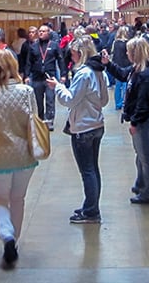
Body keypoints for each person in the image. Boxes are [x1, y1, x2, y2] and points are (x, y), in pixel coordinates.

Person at [0, 50, 39, 267]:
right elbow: (35, 119)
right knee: (18, 198)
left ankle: (7, 236)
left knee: (1, 199)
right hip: (25, 155)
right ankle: (15, 239)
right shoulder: (27, 92)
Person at [47, 35, 109, 224]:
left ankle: (91, 211)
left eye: (73, 53)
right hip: (96, 124)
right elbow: (104, 100)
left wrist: (58, 86)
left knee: (87, 171)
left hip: (84, 127)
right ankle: (91, 206)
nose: (71, 56)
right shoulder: (99, 72)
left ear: (80, 53)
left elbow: (69, 100)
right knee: (93, 169)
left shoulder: (83, 74)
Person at [102, 36, 149, 204]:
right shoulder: (137, 69)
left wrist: (135, 122)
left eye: (128, 51)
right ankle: (141, 183)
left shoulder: (147, 74)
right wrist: (108, 64)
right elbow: (121, 74)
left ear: (135, 53)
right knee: (140, 155)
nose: (126, 53)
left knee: (146, 157)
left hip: (143, 121)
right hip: (139, 120)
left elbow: (144, 102)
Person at [25, 24, 66, 130]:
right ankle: (40, 119)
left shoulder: (54, 45)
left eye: (44, 31)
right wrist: (26, 75)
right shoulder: (34, 46)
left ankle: (49, 121)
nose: (41, 33)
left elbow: (61, 60)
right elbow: (28, 62)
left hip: (50, 78)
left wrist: (63, 75)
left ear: (49, 33)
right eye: (40, 31)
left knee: (50, 100)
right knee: (38, 101)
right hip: (37, 77)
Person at [109, 25, 132, 109]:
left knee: (118, 86)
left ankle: (118, 104)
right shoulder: (128, 43)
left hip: (117, 65)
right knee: (126, 86)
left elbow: (112, 53)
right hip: (127, 65)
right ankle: (124, 102)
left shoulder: (115, 42)